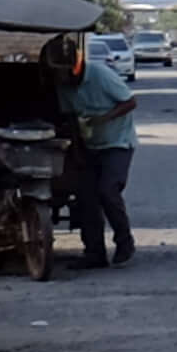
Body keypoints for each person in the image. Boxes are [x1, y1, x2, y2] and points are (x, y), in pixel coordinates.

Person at [57, 31, 141, 268]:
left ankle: (125, 242)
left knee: (107, 191)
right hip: (90, 145)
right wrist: (77, 149)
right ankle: (94, 252)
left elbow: (130, 102)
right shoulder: (62, 86)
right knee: (86, 196)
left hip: (118, 142)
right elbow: (70, 118)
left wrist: (103, 119)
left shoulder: (100, 74)